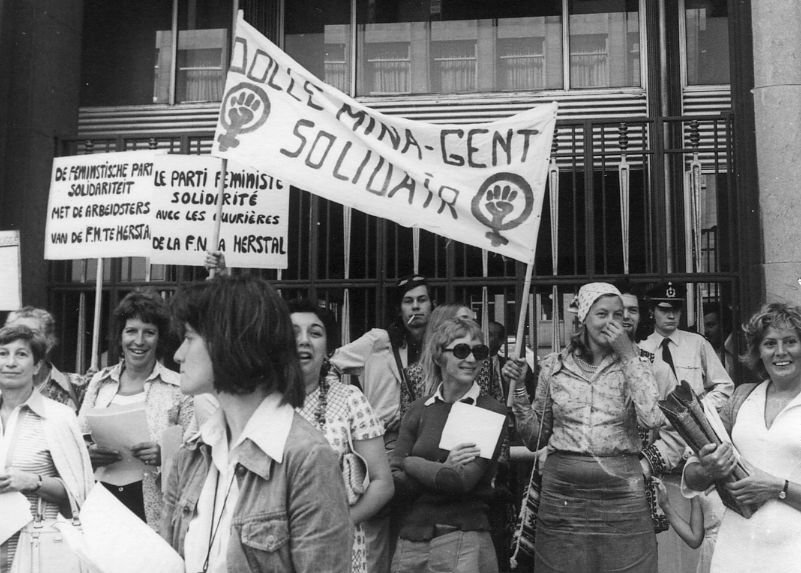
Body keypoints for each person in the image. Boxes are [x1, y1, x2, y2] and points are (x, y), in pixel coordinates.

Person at [163, 275, 351, 572]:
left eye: (188, 338)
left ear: (229, 341)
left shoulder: (307, 459)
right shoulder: (192, 454)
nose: (178, 355)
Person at [510, 282, 663, 572]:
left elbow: (652, 418)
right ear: (582, 317)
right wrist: (518, 389)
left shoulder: (637, 363)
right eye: (602, 314)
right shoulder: (553, 366)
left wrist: (628, 354)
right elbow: (534, 438)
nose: (612, 322)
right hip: (563, 496)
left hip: (621, 494)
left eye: (618, 315)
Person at [683, 302, 801, 572]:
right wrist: (708, 468)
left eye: (790, 341)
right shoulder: (741, 398)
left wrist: (778, 488)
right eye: (770, 343)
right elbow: (692, 477)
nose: (780, 352)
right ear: (758, 351)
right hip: (737, 551)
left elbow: (775, 487)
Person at [391, 317, 508, 573]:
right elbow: (394, 479)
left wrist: (411, 463)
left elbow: (459, 482)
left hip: (462, 534)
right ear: (438, 356)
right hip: (411, 538)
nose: (471, 359)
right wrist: (440, 468)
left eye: (478, 351)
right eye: (461, 350)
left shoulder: (488, 410)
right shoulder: (419, 409)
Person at [288, 298, 394, 573]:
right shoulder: (264, 402)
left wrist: (341, 523)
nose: (303, 341)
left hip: (337, 549)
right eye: (293, 332)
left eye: (315, 333)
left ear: (328, 349)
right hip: (275, 544)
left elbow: (382, 483)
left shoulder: (350, 400)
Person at [78, 290, 194, 529]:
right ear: (120, 336)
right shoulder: (100, 381)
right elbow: (77, 440)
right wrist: (89, 453)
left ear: (159, 338)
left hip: (151, 507)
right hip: (101, 500)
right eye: (131, 331)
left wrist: (165, 455)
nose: (139, 341)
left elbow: (194, 454)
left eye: (149, 333)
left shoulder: (179, 388)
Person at [0, 325, 94, 569]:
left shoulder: (58, 417)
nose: (10, 362)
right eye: (2, 353)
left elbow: (80, 493)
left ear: (37, 365)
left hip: (35, 552)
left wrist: (32, 481)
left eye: (21, 354)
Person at [330, 274, 434, 449]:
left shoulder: (437, 345)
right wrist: (345, 404)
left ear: (432, 305)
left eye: (422, 300)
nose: (415, 307)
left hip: (424, 439)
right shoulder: (378, 340)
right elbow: (331, 363)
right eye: (408, 301)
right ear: (399, 309)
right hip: (382, 440)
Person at [639, 281, 734, 473]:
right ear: (651, 311)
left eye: (676, 309)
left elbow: (725, 386)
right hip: (659, 437)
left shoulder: (696, 342)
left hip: (698, 437)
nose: (671, 315)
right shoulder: (641, 347)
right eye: (664, 310)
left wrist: (700, 408)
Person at [5, 306, 88, 411]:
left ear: (49, 344)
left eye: (32, 335)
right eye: (13, 335)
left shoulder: (78, 387)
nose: (21, 342)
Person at [655, 472, 725, 573]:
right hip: (712, 555)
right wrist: (665, 505)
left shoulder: (749, 479)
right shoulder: (699, 480)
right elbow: (694, 538)